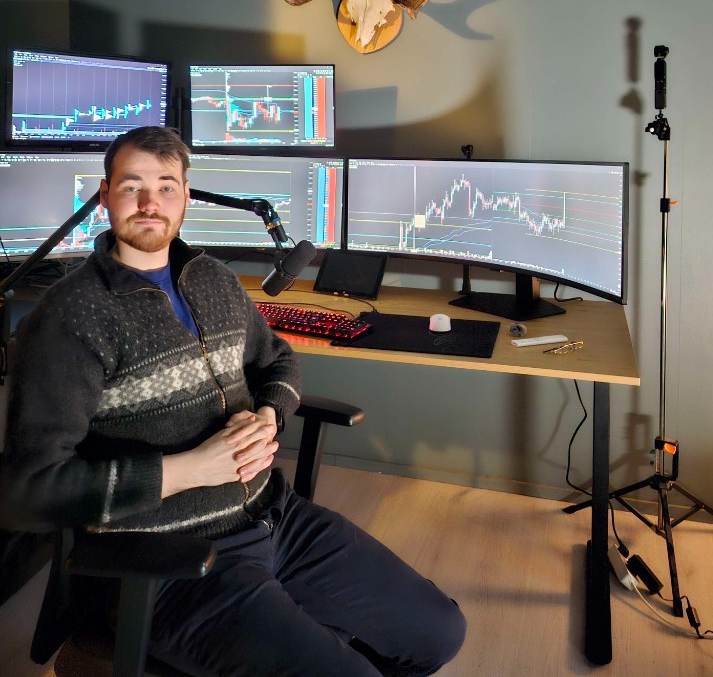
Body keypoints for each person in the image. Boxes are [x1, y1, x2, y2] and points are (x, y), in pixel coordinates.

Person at [2, 126, 466, 677]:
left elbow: (278, 361)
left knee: (439, 632)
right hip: (166, 560)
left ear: (186, 196)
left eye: (166, 187)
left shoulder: (212, 279)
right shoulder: (69, 317)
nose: (150, 203)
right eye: (132, 186)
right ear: (105, 195)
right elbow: (28, 492)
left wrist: (269, 415)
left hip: (273, 517)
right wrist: (191, 469)